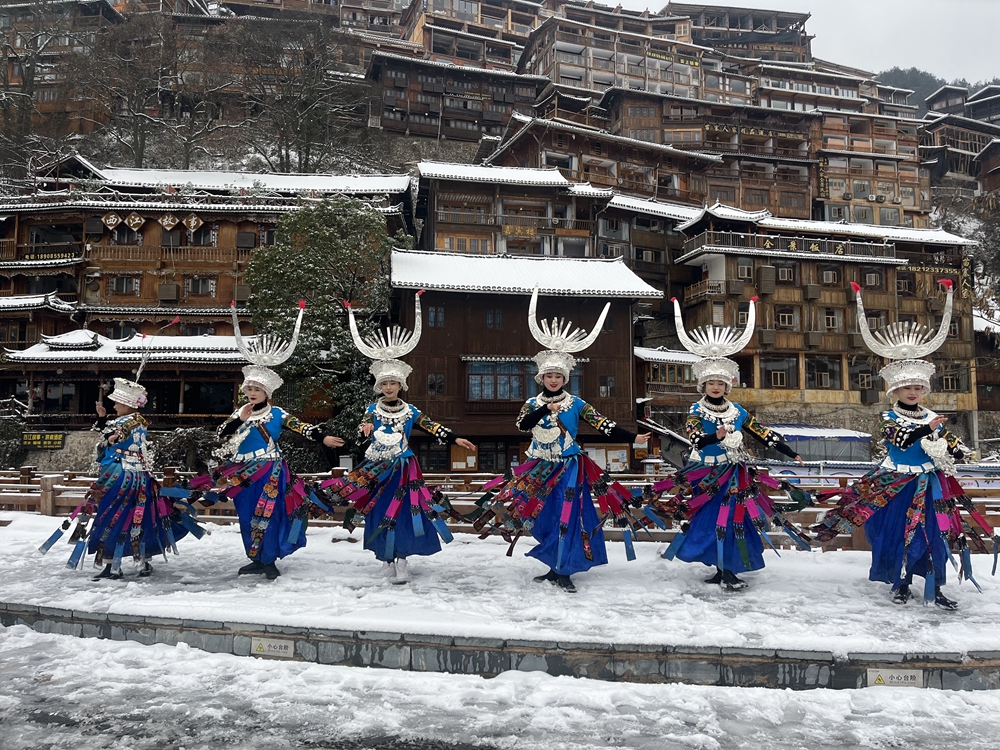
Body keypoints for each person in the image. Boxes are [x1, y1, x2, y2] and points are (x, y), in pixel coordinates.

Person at [813, 281, 996, 608]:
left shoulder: (931, 416)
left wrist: (950, 448)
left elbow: (954, 448)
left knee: (936, 537)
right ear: (894, 391)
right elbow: (899, 440)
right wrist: (927, 430)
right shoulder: (890, 418)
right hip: (897, 485)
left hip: (931, 486)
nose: (912, 392)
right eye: (906, 387)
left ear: (923, 390)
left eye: (917, 387)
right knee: (899, 535)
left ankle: (936, 586)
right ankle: (901, 582)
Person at [475, 286, 650, 593]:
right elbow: (522, 426)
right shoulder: (532, 404)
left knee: (567, 516)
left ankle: (566, 568)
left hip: (568, 469)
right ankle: (554, 563)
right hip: (538, 468)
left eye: (558, 376)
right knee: (540, 515)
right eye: (548, 376)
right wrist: (545, 407)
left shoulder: (576, 403)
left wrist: (633, 437)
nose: (553, 380)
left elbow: (604, 425)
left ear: (565, 378)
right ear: (541, 378)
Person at [647, 297, 807, 591]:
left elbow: (762, 433)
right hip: (706, 473)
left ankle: (730, 567)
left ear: (727, 386)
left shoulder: (738, 412)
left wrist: (789, 451)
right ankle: (718, 565)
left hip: (735, 475)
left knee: (735, 520)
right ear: (703, 386)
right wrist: (715, 437)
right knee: (709, 521)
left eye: (721, 383)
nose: (716, 387)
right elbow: (695, 438)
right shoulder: (696, 410)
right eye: (711, 384)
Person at [179, 301, 344, 580]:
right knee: (246, 515)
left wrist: (323, 437)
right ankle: (255, 557)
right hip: (241, 473)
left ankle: (269, 558)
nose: (252, 392)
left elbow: (301, 427)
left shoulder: (278, 413)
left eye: (257, 389)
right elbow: (222, 435)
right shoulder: (238, 412)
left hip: (269, 470)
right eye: (249, 389)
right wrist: (240, 419)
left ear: (267, 392)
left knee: (267, 514)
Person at [321, 291, 476, 585]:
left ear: (400, 385)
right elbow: (362, 428)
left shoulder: (411, 410)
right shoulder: (371, 408)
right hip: (376, 470)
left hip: (404, 468)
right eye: (385, 383)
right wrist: (363, 430)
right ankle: (385, 558)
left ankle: (402, 558)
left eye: (393, 383)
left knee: (404, 511)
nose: (389, 387)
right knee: (378, 510)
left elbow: (433, 426)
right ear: (380, 387)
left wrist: (455, 439)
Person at [39, 376, 201, 579]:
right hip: (137, 476)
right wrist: (103, 421)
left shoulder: (129, 422)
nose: (114, 405)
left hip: (122, 477)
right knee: (140, 516)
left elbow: (116, 435)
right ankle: (142, 560)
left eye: (117, 402)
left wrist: (111, 435)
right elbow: (110, 434)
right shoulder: (137, 421)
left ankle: (112, 563)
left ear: (127, 404)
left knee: (112, 514)